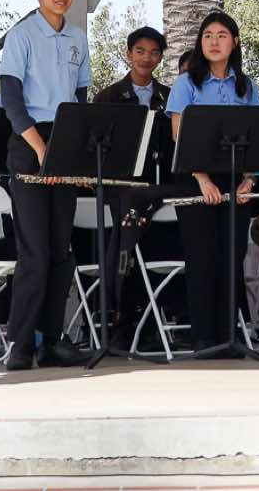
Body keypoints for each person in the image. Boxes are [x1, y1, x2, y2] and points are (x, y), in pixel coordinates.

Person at [0, 0, 94, 371]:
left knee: (61, 249)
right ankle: (20, 343)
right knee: (34, 252)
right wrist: (40, 148)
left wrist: (73, 150)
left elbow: (81, 96)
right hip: (29, 142)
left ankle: (51, 341)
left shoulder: (78, 38)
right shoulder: (21, 35)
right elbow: (11, 100)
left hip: (65, 139)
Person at [167, 11, 259, 355]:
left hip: (236, 181)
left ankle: (229, 335)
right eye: (207, 35)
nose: (214, 42)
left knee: (232, 257)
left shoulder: (246, 86)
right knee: (202, 257)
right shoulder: (186, 84)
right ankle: (203, 337)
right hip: (194, 179)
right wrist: (203, 180)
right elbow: (179, 135)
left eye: (222, 35)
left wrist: (249, 180)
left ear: (235, 42)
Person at [93, 26, 172, 350]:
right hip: (121, 190)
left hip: (158, 189)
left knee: (158, 250)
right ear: (128, 54)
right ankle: (118, 318)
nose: (146, 58)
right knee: (126, 247)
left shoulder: (169, 96)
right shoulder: (108, 97)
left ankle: (152, 324)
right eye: (140, 51)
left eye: (153, 53)